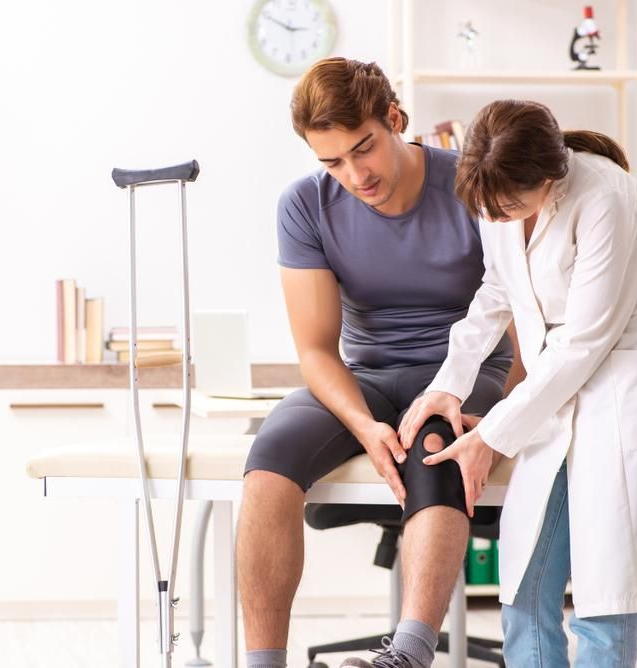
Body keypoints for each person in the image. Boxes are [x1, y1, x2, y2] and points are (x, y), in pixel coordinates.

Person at [399, 99, 637, 667]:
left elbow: (584, 342)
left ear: (550, 176)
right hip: (553, 399)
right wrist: (449, 383)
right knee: (525, 586)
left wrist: (493, 435)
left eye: (509, 206)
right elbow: (495, 294)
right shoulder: (493, 192)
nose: (496, 218)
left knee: (604, 599)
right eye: (487, 209)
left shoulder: (607, 197)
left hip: (620, 396)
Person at [236, 58, 522, 668]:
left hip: (464, 379)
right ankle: (263, 661)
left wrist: (507, 421)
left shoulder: (471, 185)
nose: (354, 175)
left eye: (363, 149)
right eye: (332, 162)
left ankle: (408, 655)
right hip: (364, 381)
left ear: (395, 119)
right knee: (268, 462)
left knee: (437, 449)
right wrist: (364, 426)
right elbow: (315, 349)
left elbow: (528, 328)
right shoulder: (306, 206)